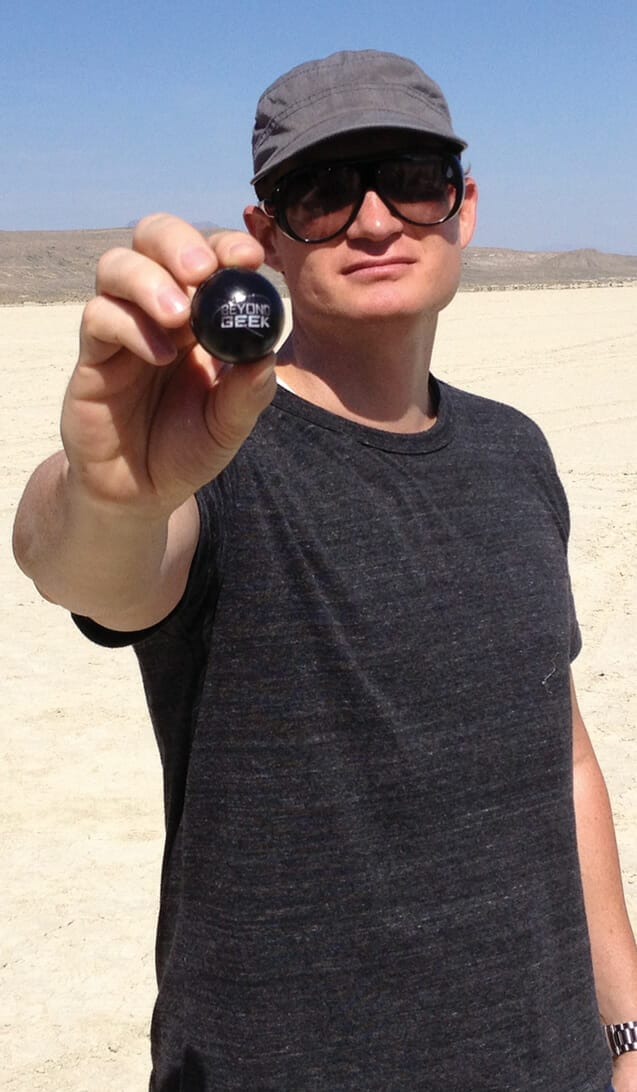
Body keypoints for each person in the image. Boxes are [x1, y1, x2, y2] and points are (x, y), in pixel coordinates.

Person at [12, 49, 637, 1092]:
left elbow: (562, 761)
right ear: (263, 235)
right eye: (322, 190)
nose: (375, 220)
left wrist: (624, 1031)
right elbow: (84, 564)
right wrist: (107, 495)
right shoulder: (215, 455)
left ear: (462, 207)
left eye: (412, 180)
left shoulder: (514, 452)